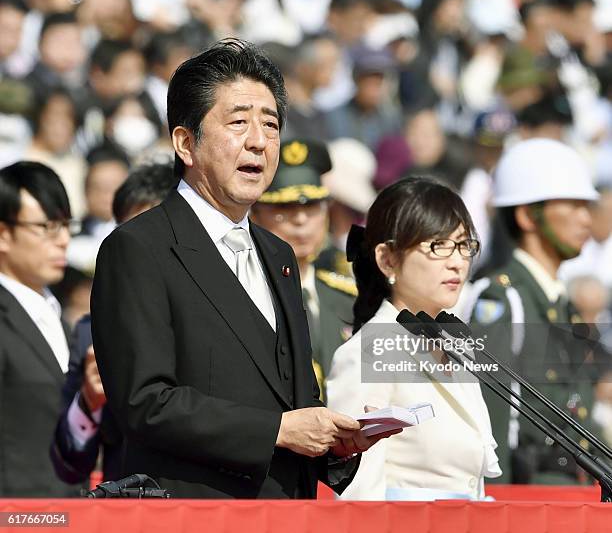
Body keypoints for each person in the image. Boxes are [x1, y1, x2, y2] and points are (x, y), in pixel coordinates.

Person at [91, 39, 393, 499]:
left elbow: (294, 400)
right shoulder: (137, 248)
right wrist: (276, 430)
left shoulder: (280, 255)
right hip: (193, 516)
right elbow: (145, 402)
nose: (259, 141)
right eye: (238, 122)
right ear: (185, 143)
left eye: (270, 125)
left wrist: (337, 443)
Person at [327, 176, 501, 500]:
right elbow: (358, 495)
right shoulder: (368, 352)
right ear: (388, 259)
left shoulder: (457, 343)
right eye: (438, 245)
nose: (457, 261)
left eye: (465, 245)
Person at [466, 138, 600, 485]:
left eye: (587, 205)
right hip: (529, 504)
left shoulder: (562, 305)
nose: (586, 218)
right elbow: (491, 431)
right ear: (527, 215)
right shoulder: (501, 301)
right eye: (571, 205)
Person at [51, 160, 178, 486]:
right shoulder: (89, 334)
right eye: (126, 235)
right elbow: (69, 466)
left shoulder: (224, 323)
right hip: (124, 512)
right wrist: (89, 404)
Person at [250, 138, 356, 401]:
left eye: (311, 207)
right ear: (254, 215)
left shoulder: (352, 298)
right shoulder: (245, 296)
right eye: (283, 208)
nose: (300, 220)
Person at [0, 161, 78, 496]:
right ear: (4, 233)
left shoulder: (60, 320)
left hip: (72, 512)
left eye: (65, 226)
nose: (62, 240)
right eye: (46, 227)